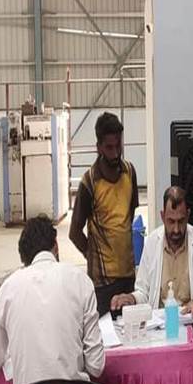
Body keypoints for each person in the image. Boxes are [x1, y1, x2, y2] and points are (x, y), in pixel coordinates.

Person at [0, 215, 105, 384]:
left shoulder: (9, 288)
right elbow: (96, 366)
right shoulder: (80, 280)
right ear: (56, 246)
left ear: (23, 258)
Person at [110, 186, 193, 343]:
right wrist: (131, 298)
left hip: (191, 333)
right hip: (157, 334)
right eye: (171, 221)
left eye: (181, 221)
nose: (176, 229)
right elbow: (143, 292)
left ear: (188, 215)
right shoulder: (152, 243)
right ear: (162, 216)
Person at [69, 112, 140, 316]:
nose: (116, 153)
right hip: (102, 284)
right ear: (98, 147)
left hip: (129, 276)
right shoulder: (90, 182)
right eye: (109, 147)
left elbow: (128, 217)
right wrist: (93, 256)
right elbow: (74, 232)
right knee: (106, 331)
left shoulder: (130, 173)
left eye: (119, 146)